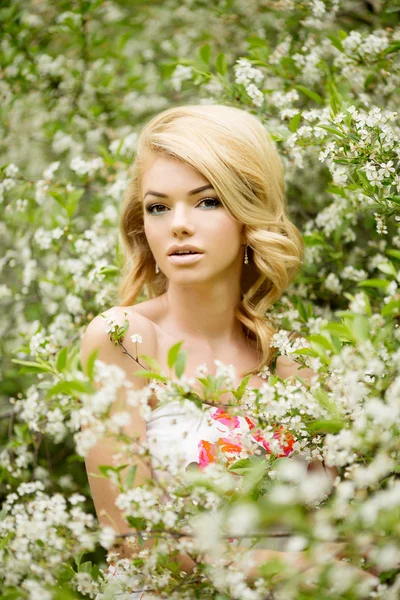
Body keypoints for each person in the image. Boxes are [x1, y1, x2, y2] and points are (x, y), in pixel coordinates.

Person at [80, 104, 336, 597]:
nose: (178, 225)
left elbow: (343, 531)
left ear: (249, 215)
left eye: (207, 201)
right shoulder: (123, 339)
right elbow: (135, 544)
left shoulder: (296, 361)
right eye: (158, 207)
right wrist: (294, 566)